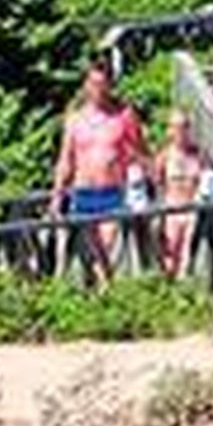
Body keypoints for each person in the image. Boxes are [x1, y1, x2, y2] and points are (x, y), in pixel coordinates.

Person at [51, 60, 152, 275]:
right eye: (94, 84)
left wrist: (144, 184)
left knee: (107, 249)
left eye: (103, 84)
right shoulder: (74, 120)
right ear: (86, 86)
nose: (98, 89)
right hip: (82, 193)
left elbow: (143, 154)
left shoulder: (123, 117)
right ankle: (100, 296)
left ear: (110, 86)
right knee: (89, 254)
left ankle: (107, 296)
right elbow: (65, 160)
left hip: (112, 193)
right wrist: (57, 195)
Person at [153, 108, 210, 277]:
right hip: (172, 208)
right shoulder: (164, 156)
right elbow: (157, 183)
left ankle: (186, 291)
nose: (181, 132)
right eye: (176, 127)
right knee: (170, 257)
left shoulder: (199, 155)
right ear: (170, 130)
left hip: (192, 208)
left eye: (184, 127)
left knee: (187, 257)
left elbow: (210, 178)